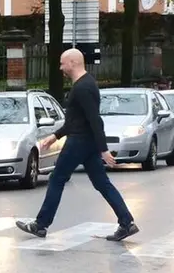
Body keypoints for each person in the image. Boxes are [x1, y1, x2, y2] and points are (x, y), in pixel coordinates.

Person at [16, 48, 139, 242]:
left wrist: (104, 149)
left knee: (57, 178)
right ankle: (126, 223)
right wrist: (54, 137)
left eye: (62, 63)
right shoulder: (85, 84)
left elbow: (94, 120)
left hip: (79, 142)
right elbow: (76, 120)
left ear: (73, 63)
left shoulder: (83, 88)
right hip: (86, 141)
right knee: (101, 183)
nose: (60, 67)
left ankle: (41, 225)